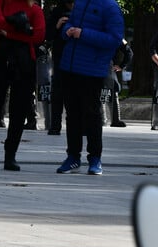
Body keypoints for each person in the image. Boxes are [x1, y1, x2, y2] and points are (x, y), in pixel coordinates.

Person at [0, 0, 45, 171]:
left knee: (19, 111)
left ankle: (10, 156)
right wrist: (23, 30)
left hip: (23, 62)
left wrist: (8, 32)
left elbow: (39, 36)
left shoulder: (34, 8)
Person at [55, 0, 124, 175]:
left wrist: (83, 34)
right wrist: (66, 30)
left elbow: (115, 39)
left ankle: (95, 158)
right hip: (69, 66)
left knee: (92, 114)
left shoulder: (110, 6)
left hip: (92, 69)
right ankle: (73, 157)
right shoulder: (79, 3)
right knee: (72, 114)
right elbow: (70, 23)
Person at [46, 0, 73, 135]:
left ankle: (79, 125)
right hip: (60, 56)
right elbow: (48, 35)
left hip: (77, 56)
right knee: (58, 92)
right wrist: (57, 26)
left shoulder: (83, 11)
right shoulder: (57, 12)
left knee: (76, 94)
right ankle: (55, 125)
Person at [101, 38, 133, 128]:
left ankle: (108, 120)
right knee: (106, 91)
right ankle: (109, 120)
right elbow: (129, 52)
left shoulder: (115, 35)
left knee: (110, 90)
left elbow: (129, 52)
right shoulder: (114, 34)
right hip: (102, 64)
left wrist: (121, 66)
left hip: (105, 64)